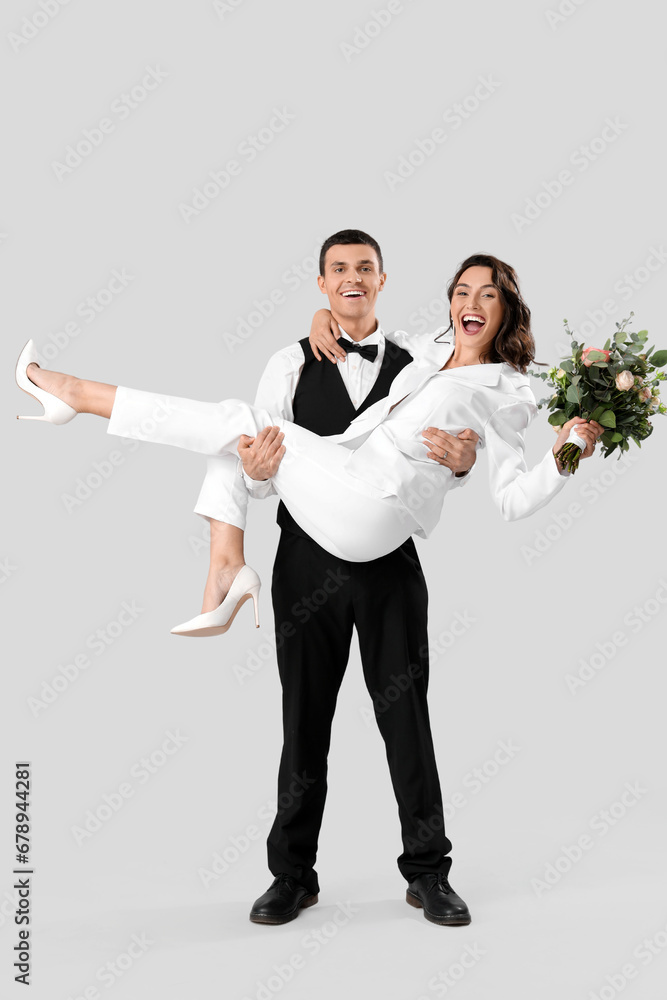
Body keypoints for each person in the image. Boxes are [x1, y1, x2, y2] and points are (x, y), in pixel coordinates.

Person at [15, 243, 603, 926]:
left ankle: (429, 874)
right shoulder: (380, 352)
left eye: (487, 295)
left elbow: (508, 495)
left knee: (404, 720)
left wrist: (563, 453)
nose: (471, 303)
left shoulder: (503, 386)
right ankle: (292, 876)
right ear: (325, 284)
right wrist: (302, 373)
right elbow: (259, 473)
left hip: (381, 535)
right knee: (303, 722)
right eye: (462, 291)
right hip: (309, 548)